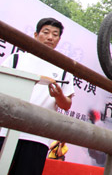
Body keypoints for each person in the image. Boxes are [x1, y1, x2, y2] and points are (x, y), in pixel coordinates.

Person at [0, 17, 75, 175]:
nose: (50, 37)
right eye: (46, 32)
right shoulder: (16, 59)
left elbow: (66, 104)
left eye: (55, 34)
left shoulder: (63, 69)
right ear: (36, 34)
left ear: (59, 40)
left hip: (37, 137)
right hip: (4, 131)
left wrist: (59, 95)